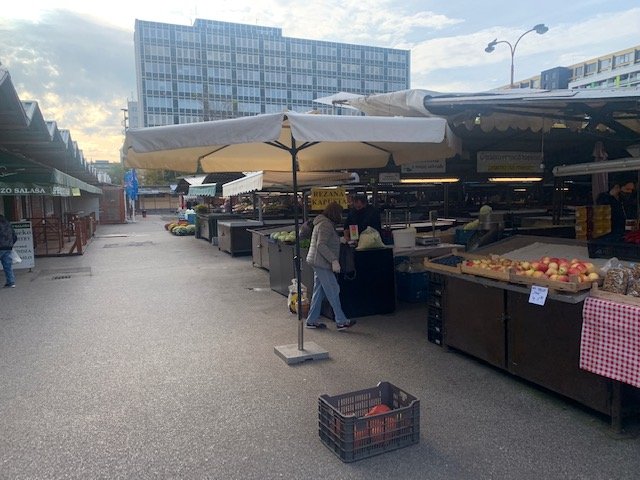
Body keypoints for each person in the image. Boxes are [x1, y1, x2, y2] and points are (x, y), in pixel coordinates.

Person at [305, 202, 356, 331]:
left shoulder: (322, 222)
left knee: (319, 292)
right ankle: (341, 321)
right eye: (340, 213)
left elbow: (326, 241)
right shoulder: (326, 224)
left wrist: (340, 240)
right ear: (335, 213)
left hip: (317, 261)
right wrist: (333, 260)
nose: (341, 216)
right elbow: (321, 245)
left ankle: (311, 320)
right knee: (333, 289)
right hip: (321, 262)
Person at [0, 214, 18, 288]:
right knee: (7, 266)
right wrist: (10, 244)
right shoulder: (8, 224)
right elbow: (15, 236)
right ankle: (11, 282)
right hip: (8, 247)